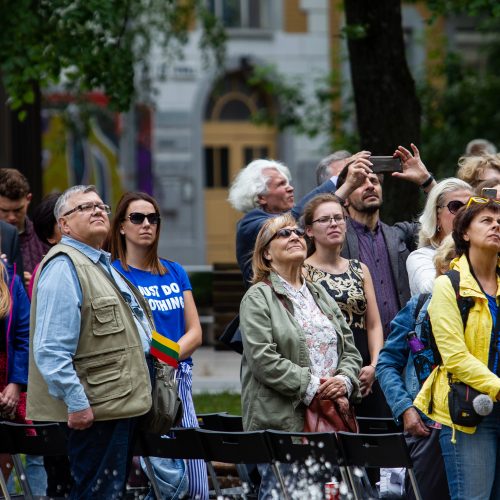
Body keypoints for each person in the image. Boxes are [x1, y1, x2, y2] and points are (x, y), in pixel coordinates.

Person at [27, 185, 153, 499]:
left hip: (117, 406)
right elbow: (51, 349)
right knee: (98, 494)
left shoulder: (101, 264)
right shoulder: (63, 267)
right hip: (94, 413)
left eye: (100, 206)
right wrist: (77, 403)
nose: (97, 210)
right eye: (84, 208)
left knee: (108, 492)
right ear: (64, 226)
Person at [239, 213, 362, 497]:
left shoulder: (318, 293)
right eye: (283, 234)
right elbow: (263, 360)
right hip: (286, 426)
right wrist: (315, 387)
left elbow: (349, 347)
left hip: (331, 420)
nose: (295, 236)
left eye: (297, 232)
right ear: (266, 254)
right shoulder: (258, 296)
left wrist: (344, 381)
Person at [109, 191, 208, 500]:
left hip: (179, 379)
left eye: (153, 218)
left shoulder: (174, 271)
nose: (146, 224)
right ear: (122, 227)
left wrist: (167, 358)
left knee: (196, 485)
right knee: (168, 480)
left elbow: (195, 332)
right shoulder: (113, 275)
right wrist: (160, 362)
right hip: (140, 383)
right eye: (137, 218)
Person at [414, 197, 500, 499]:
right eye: (487, 221)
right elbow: (454, 356)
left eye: (499, 221)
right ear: (465, 233)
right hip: (468, 411)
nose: (496, 226)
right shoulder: (447, 285)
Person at [377, 236, 456, 500]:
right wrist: (405, 408)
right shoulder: (421, 305)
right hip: (427, 426)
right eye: (455, 261)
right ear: (442, 267)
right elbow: (386, 363)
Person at [336, 143, 436, 336]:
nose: (370, 186)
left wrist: (426, 180)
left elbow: (451, 219)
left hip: (401, 347)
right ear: (346, 197)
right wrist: (345, 183)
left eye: (374, 181)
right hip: (356, 351)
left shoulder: (399, 234)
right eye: (359, 183)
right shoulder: (335, 239)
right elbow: (306, 228)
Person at [228, 156, 373, 286]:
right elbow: (288, 220)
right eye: (281, 184)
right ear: (261, 197)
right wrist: (342, 180)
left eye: (288, 183)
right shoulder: (249, 223)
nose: (290, 188)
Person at [303, 193, 386, 417]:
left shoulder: (360, 269)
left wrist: (375, 366)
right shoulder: (301, 271)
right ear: (309, 230)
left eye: (338, 218)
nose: (333, 224)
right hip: (325, 370)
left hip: (364, 369)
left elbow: (374, 324)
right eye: (324, 219)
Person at [406, 178, 472, 296]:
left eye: (470, 208)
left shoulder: (485, 252)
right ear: (437, 216)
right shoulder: (421, 256)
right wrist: (454, 243)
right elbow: (428, 291)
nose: (465, 214)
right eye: (456, 207)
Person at [0, 259, 30, 484]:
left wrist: (16, 383)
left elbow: (24, 335)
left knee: (6, 447)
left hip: (7, 381)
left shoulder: (11, 281)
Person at [0, 168, 49, 286]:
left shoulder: (45, 237)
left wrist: (36, 284)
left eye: (18, 210)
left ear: (28, 199)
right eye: (4, 210)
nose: (11, 217)